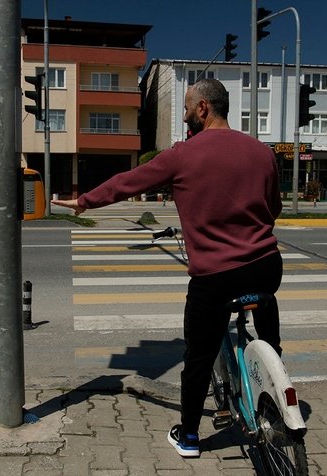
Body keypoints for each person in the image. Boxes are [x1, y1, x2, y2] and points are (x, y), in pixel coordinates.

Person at [53, 78, 283, 458]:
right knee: (266, 316)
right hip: (265, 266)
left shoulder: (184, 154)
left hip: (215, 277)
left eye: (189, 108)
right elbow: (272, 209)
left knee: (198, 356)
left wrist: (85, 201)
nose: (185, 116)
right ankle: (274, 371)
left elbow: (129, 182)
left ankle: (189, 436)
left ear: (204, 109)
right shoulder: (261, 151)